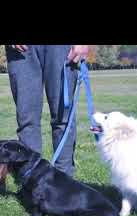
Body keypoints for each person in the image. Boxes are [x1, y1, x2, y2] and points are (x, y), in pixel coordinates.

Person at [5, 45, 90, 177]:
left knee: (63, 116)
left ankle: (63, 178)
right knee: (26, 119)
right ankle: (31, 177)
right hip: (21, 50)